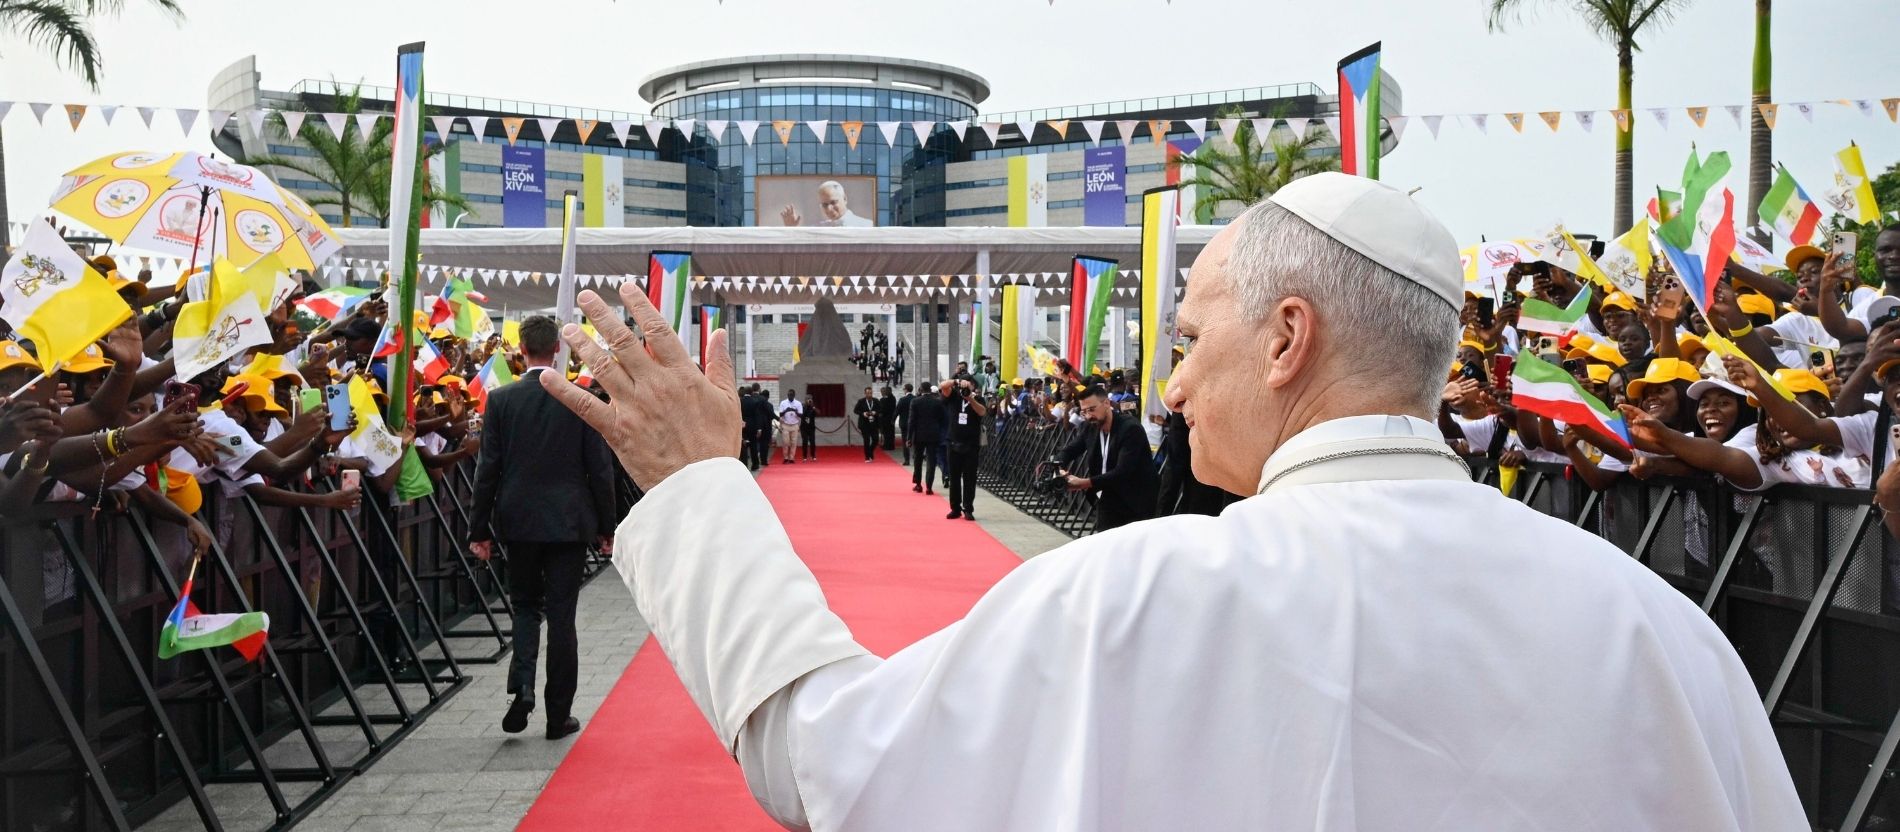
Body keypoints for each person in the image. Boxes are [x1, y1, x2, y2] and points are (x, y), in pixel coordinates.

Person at [536, 173, 1803, 830]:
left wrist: (700, 482)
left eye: (1191, 335)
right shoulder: (1664, 637)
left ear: (1288, 338)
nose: (1173, 380)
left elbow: (825, 761)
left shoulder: (1138, 592)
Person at [468, 315, 615, 741]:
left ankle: (523, 687)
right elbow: (599, 469)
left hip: (518, 520)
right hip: (569, 522)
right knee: (562, 615)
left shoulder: (501, 400)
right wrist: (608, 526)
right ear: (557, 350)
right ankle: (558, 715)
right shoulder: (580, 398)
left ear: (521, 349)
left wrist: (479, 529)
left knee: (526, 606)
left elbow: (488, 470)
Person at [1057, 385, 1160, 532]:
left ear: (1106, 404)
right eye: (1084, 411)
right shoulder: (1090, 427)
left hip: (1136, 500)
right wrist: (1058, 467)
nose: (1088, 415)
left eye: (1092, 409)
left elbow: (1123, 472)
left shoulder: (1130, 428)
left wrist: (1084, 483)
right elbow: (1070, 450)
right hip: (1107, 497)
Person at [941, 377, 986, 520]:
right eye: (964, 385)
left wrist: (970, 399)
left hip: (971, 444)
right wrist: (956, 382)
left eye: (969, 384)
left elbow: (982, 412)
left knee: (970, 478)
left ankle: (968, 508)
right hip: (953, 442)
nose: (966, 387)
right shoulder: (954, 395)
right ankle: (955, 508)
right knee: (954, 478)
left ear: (974, 386)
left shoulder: (978, 398)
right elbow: (943, 386)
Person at [779, 180, 873, 227]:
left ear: (844, 199)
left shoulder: (867, 226)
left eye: (833, 202)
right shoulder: (817, 229)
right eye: (825, 205)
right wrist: (791, 229)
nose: (829, 209)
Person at [908, 381, 946, 494]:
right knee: (931, 461)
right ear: (930, 389)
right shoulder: (938, 402)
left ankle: (918, 485)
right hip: (933, 435)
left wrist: (909, 437)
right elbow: (942, 419)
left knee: (918, 460)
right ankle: (929, 487)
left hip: (919, 435)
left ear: (920, 389)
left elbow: (912, 420)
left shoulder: (915, 401)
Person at [776, 389, 803, 464]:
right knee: (785, 442)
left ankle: (791, 458)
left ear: (794, 395)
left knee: (794, 442)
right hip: (785, 425)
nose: (789, 396)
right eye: (788, 395)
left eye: (791, 395)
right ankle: (785, 457)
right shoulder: (783, 403)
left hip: (794, 425)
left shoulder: (798, 403)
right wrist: (786, 410)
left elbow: (801, 415)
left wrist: (795, 411)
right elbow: (780, 415)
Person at [853, 386, 880, 462]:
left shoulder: (876, 400)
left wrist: (875, 412)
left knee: (875, 440)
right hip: (864, 424)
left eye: (870, 393)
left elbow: (881, 409)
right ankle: (867, 457)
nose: (869, 394)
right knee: (866, 440)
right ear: (865, 393)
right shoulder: (861, 401)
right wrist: (863, 413)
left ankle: (870, 451)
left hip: (874, 423)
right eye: (868, 393)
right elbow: (855, 410)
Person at [895, 383, 916, 464]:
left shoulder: (902, 400)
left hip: (904, 423)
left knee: (905, 441)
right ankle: (915, 456)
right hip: (914, 423)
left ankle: (907, 460)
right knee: (915, 441)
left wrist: (893, 420)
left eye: (904, 389)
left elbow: (897, 411)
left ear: (906, 389)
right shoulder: (916, 398)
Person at [877, 385, 899, 451]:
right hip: (888, 418)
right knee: (887, 433)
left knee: (888, 433)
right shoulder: (891, 398)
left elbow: (884, 408)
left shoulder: (888, 398)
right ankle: (887, 445)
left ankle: (888, 446)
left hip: (887, 418)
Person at [800, 395, 819, 461]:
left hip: (811, 427)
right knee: (805, 442)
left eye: (810, 399)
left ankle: (813, 455)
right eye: (808, 399)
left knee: (812, 442)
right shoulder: (802, 406)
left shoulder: (813, 406)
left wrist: (813, 407)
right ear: (805, 400)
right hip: (804, 428)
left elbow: (818, 412)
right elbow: (801, 415)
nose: (809, 400)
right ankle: (804, 456)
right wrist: (806, 406)